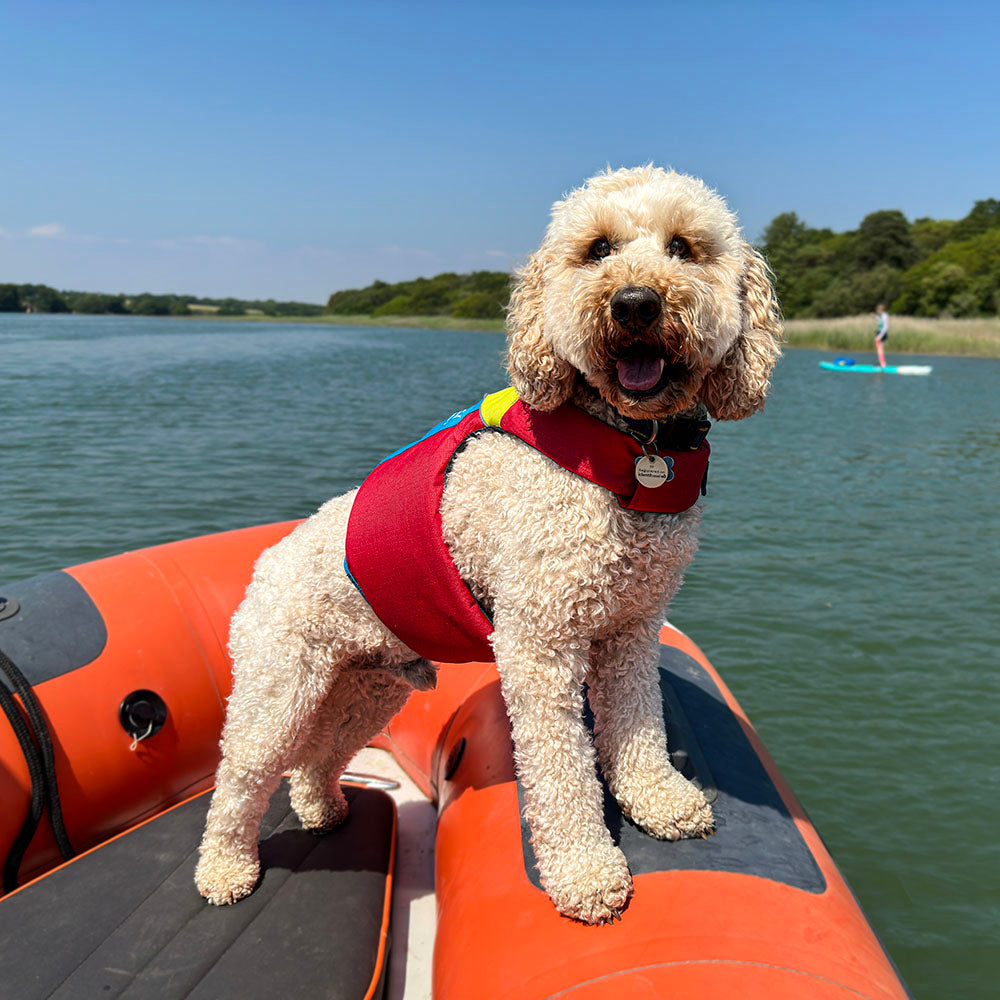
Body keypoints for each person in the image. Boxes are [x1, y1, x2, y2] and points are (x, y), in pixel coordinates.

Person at [874, 303, 889, 368]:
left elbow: (885, 327)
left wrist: (879, 336)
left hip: (882, 334)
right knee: (879, 349)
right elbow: (880, 320)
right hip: (880, 333)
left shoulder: (885, 316)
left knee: (880, 349)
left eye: (877, 310)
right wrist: (874, 316)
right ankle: (881, 362)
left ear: (880, 309)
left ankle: (883, 364)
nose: (877, 311)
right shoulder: (882, 316)